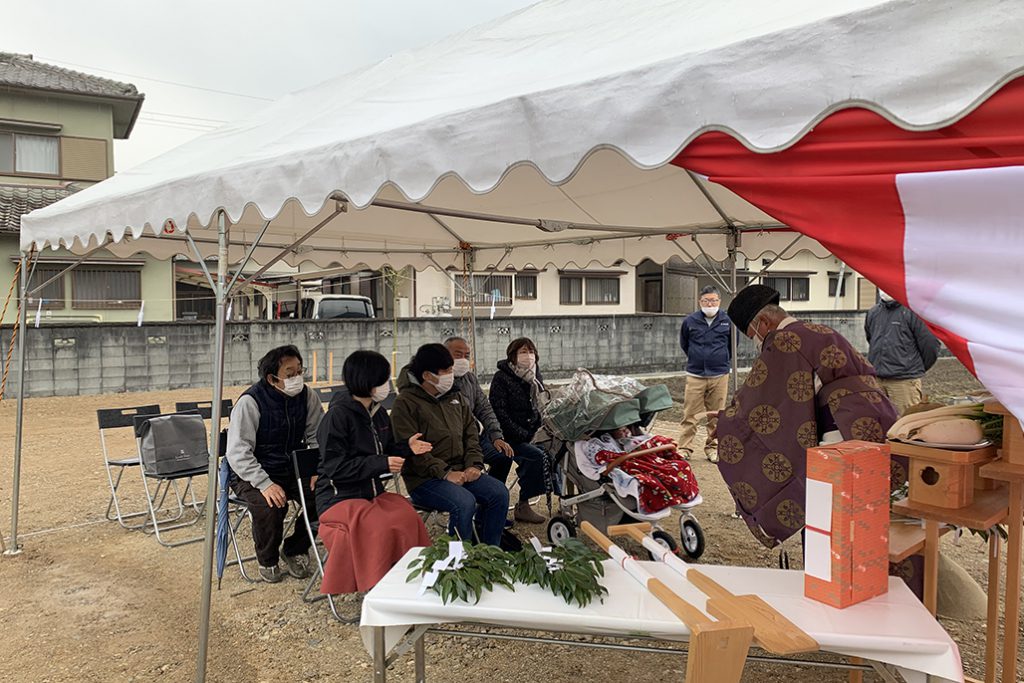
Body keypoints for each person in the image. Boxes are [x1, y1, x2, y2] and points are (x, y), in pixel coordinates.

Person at [713, 284, 899, 549]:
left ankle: (826, 573)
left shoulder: (782, 340)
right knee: (871, 514)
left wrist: (726, 423)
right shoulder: (819, 330)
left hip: (840, 434)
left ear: (763, 323)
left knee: (831, 522)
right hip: (877, 421)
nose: (757, 343)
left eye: (753, 335)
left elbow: (762, 403)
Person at [314, 350, 432, 594]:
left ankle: (411, 577)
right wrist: (382, 463)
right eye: (383, 379)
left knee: (407, 516)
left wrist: (406, 448)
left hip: (370, 493)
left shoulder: (376, 412)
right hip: (338, 497)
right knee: (378, 526)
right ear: (368, 382)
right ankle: (377, 588)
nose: (387, 385)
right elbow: (335, 468)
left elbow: (385, 449)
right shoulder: (337, 417)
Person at [391, 343, 510, 545]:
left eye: (451, 370)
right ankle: (458, 562)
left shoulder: (456, 397)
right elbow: (414, 452)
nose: (451, 375)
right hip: (425, 479)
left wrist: (474, 464)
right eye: (446, 371)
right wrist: (445, 473)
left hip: (461, 470)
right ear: (428, 375)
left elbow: (471, 434)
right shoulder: (406, 404)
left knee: (499, 493)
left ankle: (490, 552)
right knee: (464, 502)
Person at [227, 344, 324, 583]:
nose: (297, 378)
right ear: (272, 379)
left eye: (300, 371)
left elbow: (317, 436)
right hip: (250, 472)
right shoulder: (250, 402)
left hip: (291, 466)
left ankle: (295, 548)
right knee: (271, 505)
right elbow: (238, 452)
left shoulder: (308, 396)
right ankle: (267, 559)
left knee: (323, 495)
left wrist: (316, 470)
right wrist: (265, 483)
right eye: (290, 374)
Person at [488, 337, 553, 524]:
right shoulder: (501, 377)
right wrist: (525, 436)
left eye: (531, 352)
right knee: (535, 456)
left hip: (530, 434)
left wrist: (540, 431)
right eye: (523, 352)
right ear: (513, 356)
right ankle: (520, 505)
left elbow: (540, 407)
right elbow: (499, 413)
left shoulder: (535, 376)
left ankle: (532, 500)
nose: (528, 356)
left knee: (553, 452)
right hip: (507, 436)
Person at [578, 426, 699, 514]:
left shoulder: (628, 439)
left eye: (625, 429)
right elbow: (602, 457)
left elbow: (642, 443)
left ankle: (678, 491)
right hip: (623, 460)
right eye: (620, 430)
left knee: (680, 466)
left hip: (639, 455)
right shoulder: (595, 443)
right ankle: (669, 491)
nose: (625, 431)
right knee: (648, 479)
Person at [678, 285, 733, 462]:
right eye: (706, 300)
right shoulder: (690, 321)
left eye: (713, 300)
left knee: (716, 414)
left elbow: (733, 345)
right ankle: (685, 448)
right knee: (690, 414)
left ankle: (712, 448)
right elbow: (684, 344)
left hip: (720, 375)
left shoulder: (727, 321)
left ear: (719, 301)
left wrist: (720, 360)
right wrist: (698, 358)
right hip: (695, 375)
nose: (710, 303)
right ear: (699, 301)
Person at [865, 291, 940, 415]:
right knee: (881, 421)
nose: (885, 290)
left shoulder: (914, 313)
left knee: (906, 423)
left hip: (904, 382)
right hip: (877, 379)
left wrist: (913, 367)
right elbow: (871, 339)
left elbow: (930, 345)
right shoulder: (873, 312)